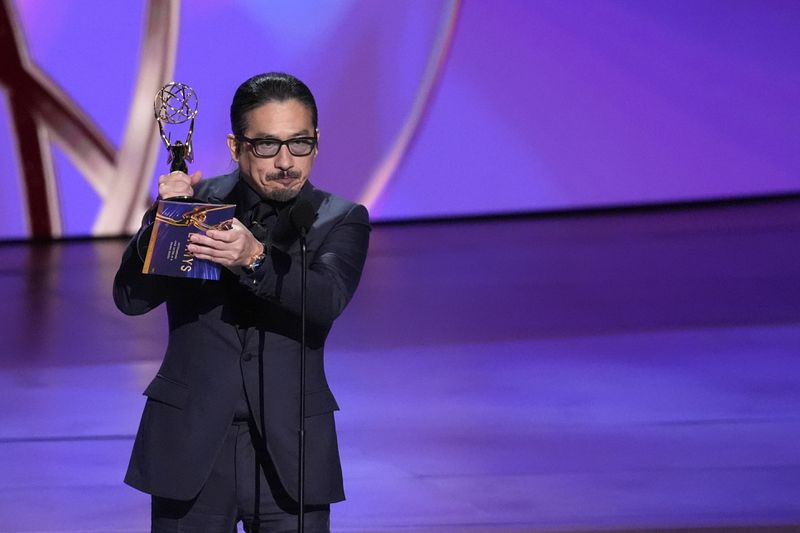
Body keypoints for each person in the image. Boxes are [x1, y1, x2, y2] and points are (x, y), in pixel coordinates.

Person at [114, 72, 370, 532]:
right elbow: (132, 299)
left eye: (300, 144)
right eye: (268, 145)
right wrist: (160, 224)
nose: (286, 162)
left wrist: (255, 260)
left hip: (291, 451)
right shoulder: (197, 207)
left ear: (317, 141)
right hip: (190, 445)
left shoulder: (339, 219)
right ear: (236, 146)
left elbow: (326, 300)